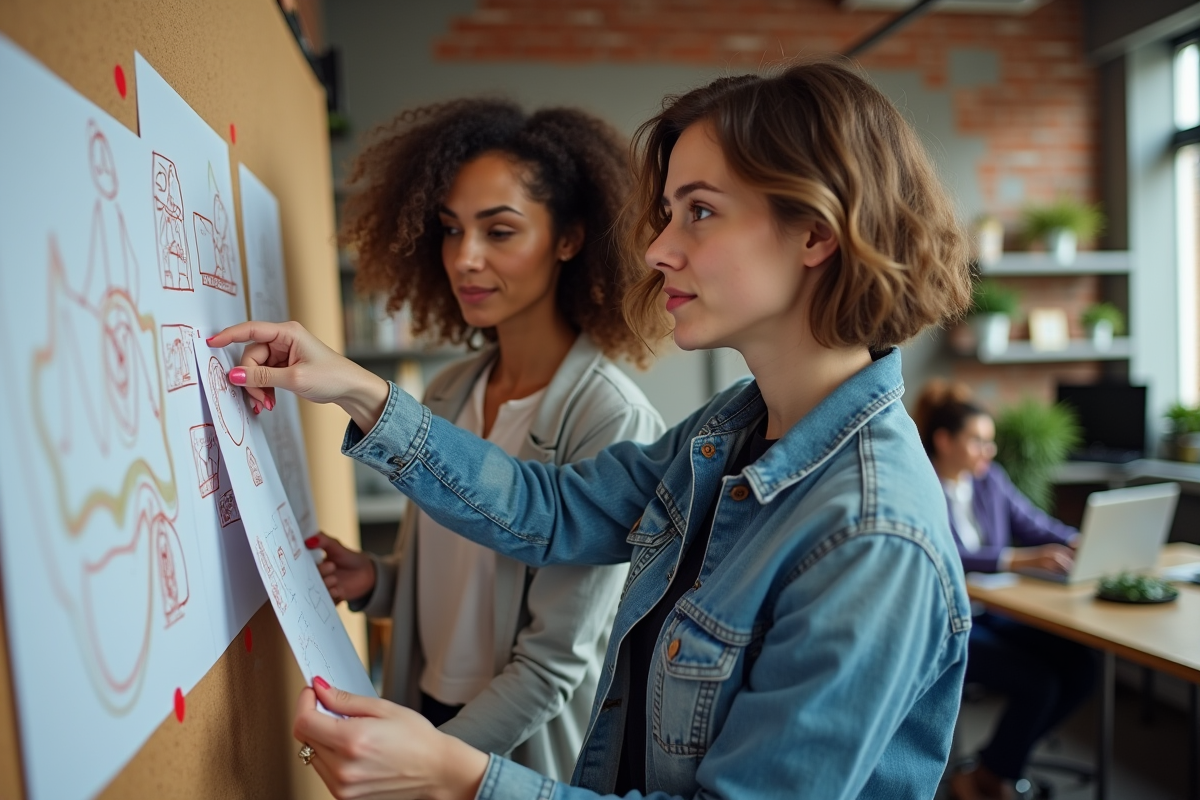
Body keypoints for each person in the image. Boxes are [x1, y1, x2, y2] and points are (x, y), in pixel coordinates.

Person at [210, 59, 975, 799]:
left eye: (700, 211)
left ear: (815, 233)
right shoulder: (729, 429)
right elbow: (551, 511)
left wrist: (458, 776)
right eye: (668, 213)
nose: (657, 249)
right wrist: (356, 388)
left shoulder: (874, 538)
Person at [302, 99, 665, 781]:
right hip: (423, 708)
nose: (465, 259)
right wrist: (377, 581)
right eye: (449, 230)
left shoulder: (610, 417)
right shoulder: (447, 392)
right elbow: (453, 576)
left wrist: (427, 763)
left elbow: (553, 665)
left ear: (569, 238)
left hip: (509, 751)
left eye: (500, 231)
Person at [913, 380, 1096, 800]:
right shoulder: (921, 485)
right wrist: (1017, 559)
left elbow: (1034, 525)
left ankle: (990, 766)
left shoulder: (988, 479)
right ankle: (992, 774)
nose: (988, 452)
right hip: (945, 626)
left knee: (1081, 666)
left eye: (990, 442)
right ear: (944, 441)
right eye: (978, 442)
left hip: (994, 613)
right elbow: (949, 554)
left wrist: (1076, 539)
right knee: (1039, 683)